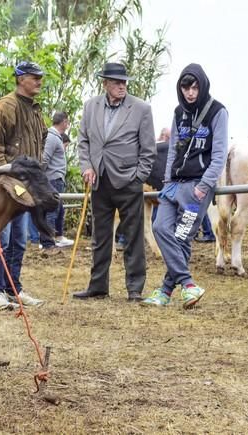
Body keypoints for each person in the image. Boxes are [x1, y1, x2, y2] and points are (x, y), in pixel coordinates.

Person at [142, 63, 228, 308]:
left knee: (181, 236)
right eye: (185, 87)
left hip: (197, 187)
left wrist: (204, 186)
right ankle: (188, 285)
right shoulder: (179, 112)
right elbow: (172, 151)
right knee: (159, 228)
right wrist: (167, 181)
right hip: (173, 186)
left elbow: (219, 155)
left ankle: (166, 291)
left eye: (194, 87)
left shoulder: (217, 112)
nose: (190, 92)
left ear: (202, 86)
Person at [73, 62, 156, 302]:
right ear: (105, 83)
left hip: (128, 181)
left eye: (124, 82)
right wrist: (86, 167)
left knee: (133, 236)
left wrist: (138, 176)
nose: (122, 86)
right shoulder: (90, 106)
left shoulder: (141, 109)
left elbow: (148, 149)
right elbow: (84, 142)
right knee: (100, 237)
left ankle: (135, 288)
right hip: (99, 181)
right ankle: (98, 286)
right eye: (117, 82)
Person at [0, 61, 48, 309]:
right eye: (34, 77)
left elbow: (39, 145)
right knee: (1, 240)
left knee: (19, 240)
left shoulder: (35, 109)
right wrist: (8, 174)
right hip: (3, 187)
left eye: (40, 77)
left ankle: (13, 289)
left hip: (25, 187)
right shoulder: (4, 107)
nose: (39, 81)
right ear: (20, 79)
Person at [39, 111, 73, 254]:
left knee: (57, 209)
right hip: (52, 179)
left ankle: (53, 239)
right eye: (68, 122)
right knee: (51, 210)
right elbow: (45, 158)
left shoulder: (55, 137)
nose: (68, 125)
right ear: (64, 122)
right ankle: (47, 242)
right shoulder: (52, 138)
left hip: (55, 178)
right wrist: (40, 176)